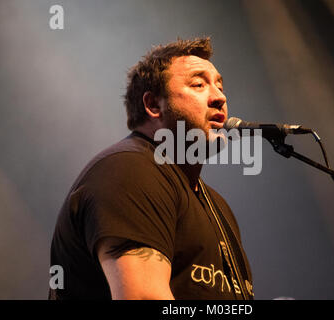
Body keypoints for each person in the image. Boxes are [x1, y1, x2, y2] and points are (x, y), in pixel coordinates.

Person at [49, 37, 254, 300]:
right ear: (153, 105)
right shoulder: (128, 172)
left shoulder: (217, 206)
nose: (219, 97)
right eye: (199, 84)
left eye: (220, 86)